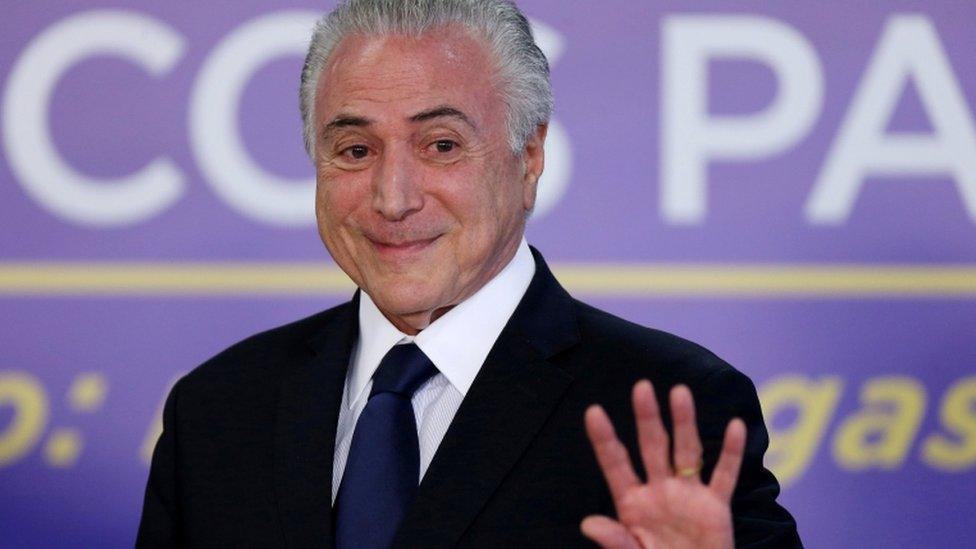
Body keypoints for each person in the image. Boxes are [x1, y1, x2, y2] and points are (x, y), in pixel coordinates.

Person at [137, 0, 801, 547]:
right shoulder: (218, 410)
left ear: (530, 156)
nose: (393, 197)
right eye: (356, 150)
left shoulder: (663, 404)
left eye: (442, 145)